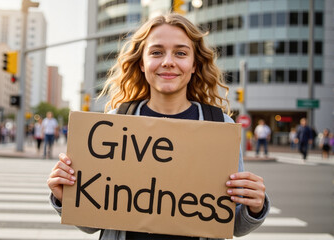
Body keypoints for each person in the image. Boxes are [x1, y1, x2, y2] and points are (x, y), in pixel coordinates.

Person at [47, 14, 269, 239]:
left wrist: (255, 207)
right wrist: (65, 198)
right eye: (156, 52)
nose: (168, 61)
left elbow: (232, 225)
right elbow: (92, 224)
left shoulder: (221, 127)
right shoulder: (115, 124)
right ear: (142, 63)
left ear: (194, 65)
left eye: (181, 53)